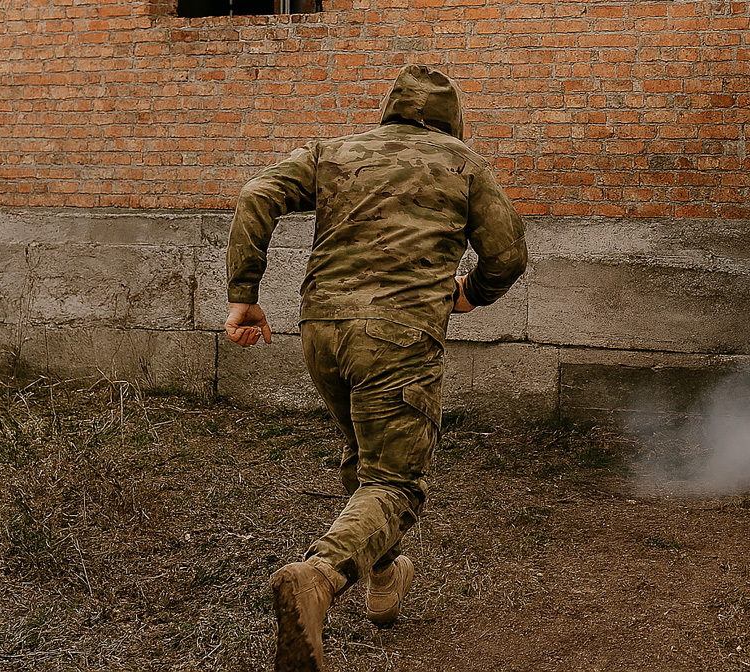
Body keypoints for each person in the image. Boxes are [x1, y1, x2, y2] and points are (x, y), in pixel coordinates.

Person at [222, 64, 526, 671]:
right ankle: (319, 575)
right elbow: (508, 254)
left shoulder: (333, 153)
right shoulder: (462, 163)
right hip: (398, 336)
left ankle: (384, 579)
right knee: (395, 482)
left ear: (390, 108)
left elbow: (256, 194)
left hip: (322, 330)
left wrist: (243, 295)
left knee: (365, 458)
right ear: (452, 118)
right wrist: (469, 293)